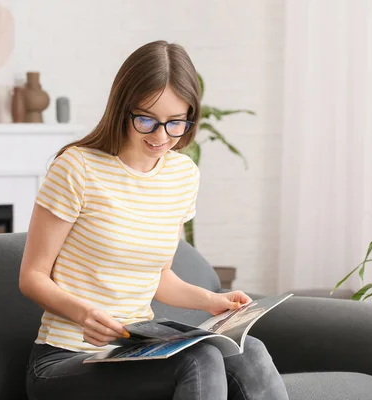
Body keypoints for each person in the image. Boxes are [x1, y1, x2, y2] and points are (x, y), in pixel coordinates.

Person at [19, 40, 288, 400]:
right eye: (146, 119)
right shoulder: (77, 168)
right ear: (122, 108)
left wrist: (213, 301)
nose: (161, 136)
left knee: (248, 351)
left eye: (176, 122)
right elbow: (32, 276)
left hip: (133, 349)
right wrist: (84, 314)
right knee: (199, 361)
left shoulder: (182, 174)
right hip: (66, 358)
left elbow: (159, 277)